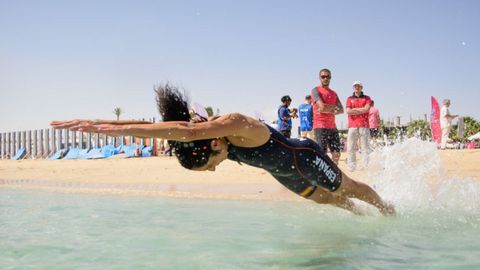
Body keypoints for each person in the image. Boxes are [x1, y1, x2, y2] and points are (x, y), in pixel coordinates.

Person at [51, 84, 395, 216]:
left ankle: (386, 209)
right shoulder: (216, 145)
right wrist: (113, 125)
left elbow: (185, 130)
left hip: (304, 158)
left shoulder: (235, 125)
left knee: (347, 187)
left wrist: (102, 127)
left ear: (214, 143)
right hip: (286, 175)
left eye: (211, 164)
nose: (216, 168)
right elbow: (178, 132)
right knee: (329, 200)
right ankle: (361, 218)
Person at [311, 68, 344, 164]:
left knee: (336, 154)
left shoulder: (334, 93)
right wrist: (333, 109)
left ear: (330, 78)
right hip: (320, 126)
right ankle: (321, 176)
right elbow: (321, 108)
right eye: (323, 76)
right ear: (319, 77)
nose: (325, 78)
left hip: (332, 127)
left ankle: (334, 172)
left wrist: (326, 108)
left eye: (327, 77)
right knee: (322, 155)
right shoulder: (315, 90)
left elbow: (341, 109)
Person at [345, 81, 372, 172]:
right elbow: (348, 111)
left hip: (364, 125)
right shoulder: (349, 98)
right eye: (355, 86)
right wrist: (361, 110)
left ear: (361, 87)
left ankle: (366, 166)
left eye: (359, 86)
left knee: (365, 147)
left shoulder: (367, 98)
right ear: (353, 88)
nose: (357, 88)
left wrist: (354, 110)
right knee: (351, 147)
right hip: (352, 125)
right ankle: (352, 166)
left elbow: (367, 109)